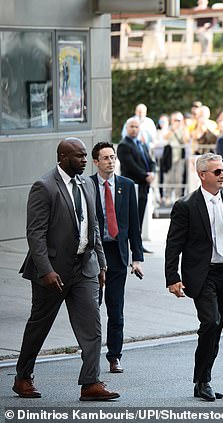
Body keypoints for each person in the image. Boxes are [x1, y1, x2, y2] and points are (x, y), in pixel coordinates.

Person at [14, 137, 119, 401]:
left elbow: (93, 227)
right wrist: (46, 270)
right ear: (62, 157)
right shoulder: (44, 186)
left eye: (85, 156)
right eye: (79, 156)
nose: (85, 160)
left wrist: (102, 264)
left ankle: (90, 383)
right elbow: (35, 234)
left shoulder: (87, 184)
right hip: (53, 272)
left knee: (92, 328)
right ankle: (22, 377)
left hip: (85, 267)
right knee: (39, 326)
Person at [165, 153, 223, 401]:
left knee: (216, 328)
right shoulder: (186, 205)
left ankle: (203, 378)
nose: (222, 175)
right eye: (216, 172)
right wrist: (172, 278)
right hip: (201, 274)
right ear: (202, 175)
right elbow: (173, 244)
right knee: (210, 321)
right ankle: (202, 380)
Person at [90, 142, 144, 374]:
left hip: (117, 254)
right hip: (93, 255)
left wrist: (137, 258)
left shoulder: (126, 186)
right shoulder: (87, 186)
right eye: (105, 158)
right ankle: (89, 355)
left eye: (113, 157)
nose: (111, 161)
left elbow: (134, 225)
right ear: (96, 162)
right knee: (91, 308)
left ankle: (114, 356)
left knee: (116, 308)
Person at [117, 117, 156, 253]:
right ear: (126, 128)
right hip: (133, 186)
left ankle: (138, 247)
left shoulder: (142, 144)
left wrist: (152, 173)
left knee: (139, 217)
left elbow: (151, 161)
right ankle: (129, 248)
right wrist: (145, 175)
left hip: (144, 186)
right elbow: (130, 166)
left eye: (136, 127)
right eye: (131, 126)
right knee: (130, 219)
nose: (134, 129)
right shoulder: (124, 145)